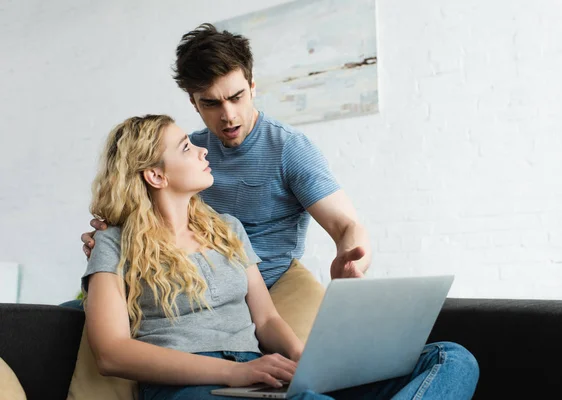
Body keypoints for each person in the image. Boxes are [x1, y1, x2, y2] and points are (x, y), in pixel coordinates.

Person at [83, 114, 479, 400]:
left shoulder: (228, 228)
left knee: (451, 357)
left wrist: (308, 362)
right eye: (186, 147)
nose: (203, 150)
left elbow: (267, 318)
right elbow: (112, 353)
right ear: (156, 175)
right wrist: (237, 373)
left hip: (260, 378)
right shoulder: (113, 243)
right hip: (189, 386)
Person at [77, 24, 369, 323]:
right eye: (212, 103)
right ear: (194, 102)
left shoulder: (289, 149)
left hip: (272, 286)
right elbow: (141, 216)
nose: (228, 115)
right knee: (69, 318)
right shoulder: (188, 152)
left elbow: (346, 226)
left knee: (299, 362)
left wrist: (351, 265)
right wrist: (106, 242)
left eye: (237, 97)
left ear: (252, 87)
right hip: (195, 286)